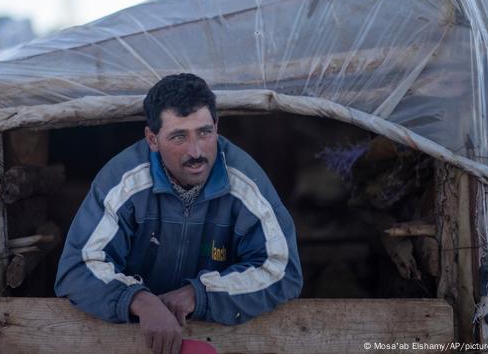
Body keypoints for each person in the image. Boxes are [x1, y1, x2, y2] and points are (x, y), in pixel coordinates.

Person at [55, 73, 303, 354]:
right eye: (178, 136)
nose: (196, 151)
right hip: (130, 341)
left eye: (204, 132)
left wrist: (199, 294)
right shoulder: (123, 182)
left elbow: (282, 270)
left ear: (217, 127)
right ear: (152, 138)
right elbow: (77, 268)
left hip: (220, 341)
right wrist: (141, 301)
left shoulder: (244, 183)